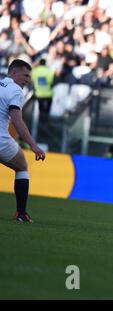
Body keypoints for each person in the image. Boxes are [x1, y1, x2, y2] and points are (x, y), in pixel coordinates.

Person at [0, 59, 46, 222]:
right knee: (22, 167)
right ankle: (21, 213)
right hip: (1, 140)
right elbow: (17, 121)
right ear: (13, 73)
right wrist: (33, 145)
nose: (27, 80)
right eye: (25, 75)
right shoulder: (16, 90)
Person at [31, 58, 55, 123]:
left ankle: (41, 120)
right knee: (47, 108)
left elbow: (32, 79)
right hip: (48, 93)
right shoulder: (49, 71)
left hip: (39, 93)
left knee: (41, 108)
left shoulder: (35, 71)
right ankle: (46, 119)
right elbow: (51, 81)